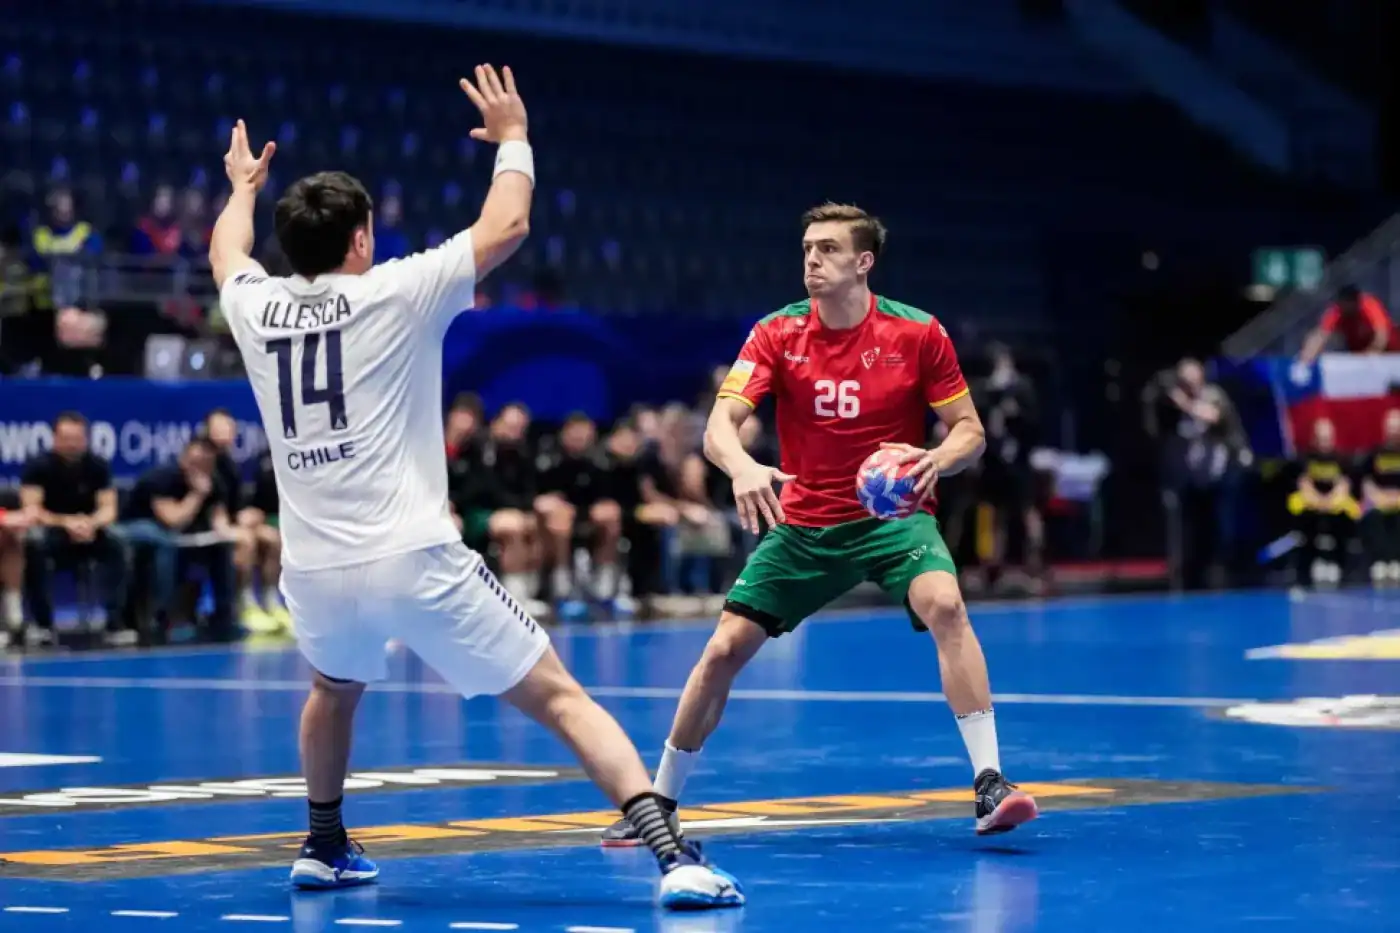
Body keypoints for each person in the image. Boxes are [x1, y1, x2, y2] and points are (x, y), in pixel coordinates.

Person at [208, 65, 741, 909]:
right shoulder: (396, 290)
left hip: (313, 565)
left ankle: (321, 843)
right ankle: (674, 855)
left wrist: (240, 186)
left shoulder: (255, 306)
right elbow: (510, 222)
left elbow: (225, 250)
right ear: (358, 241)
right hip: (414, 554)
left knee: (331, 688)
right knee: (562, 696)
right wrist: (514, 136)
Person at [601, 202, 1038, 846]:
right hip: (804, 523)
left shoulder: (919, 334)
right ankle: (658, 803)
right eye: (807, 248)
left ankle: (990, 783)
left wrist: (935, 460)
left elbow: (968, 431)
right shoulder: (776, 334)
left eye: (828, 249)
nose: (812, 259)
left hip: (894, 517)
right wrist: (742, 466)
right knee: (722, 650)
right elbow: (721, 427)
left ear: (863, 262)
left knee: (946, 604)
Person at [19, 412, 129, 646]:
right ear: (55, 438)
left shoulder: (97, 465)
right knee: (33, 542)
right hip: (53, 531)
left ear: (85, 439)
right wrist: (66, 522)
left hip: (90, 531)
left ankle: (115, 622)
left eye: (77, 438)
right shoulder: (38, 466)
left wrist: (91, 523)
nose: (72, 444)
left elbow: (109, 509)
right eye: (66, 438)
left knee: (120, 542)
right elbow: (32, 509)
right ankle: (43, 625)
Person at [118, 437, 239, 641]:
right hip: (138, 528)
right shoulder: (161, 478)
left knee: (223, 547)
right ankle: (160, 616)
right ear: (184, 459)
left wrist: (235, 534)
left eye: (206, 464)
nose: (201, 469)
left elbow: (220, 520)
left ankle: (224, 616)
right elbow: (172, 520)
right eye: (195, 463)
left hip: (183, 535)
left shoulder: (214, 480)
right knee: (164, 543)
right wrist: (197, 495)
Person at [1286, 417, 1359, 587]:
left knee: (1344, 518)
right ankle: (1306, 567)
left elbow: (1344, 485)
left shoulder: (1341, 459)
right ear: (1314, 438)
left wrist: (1330, 502)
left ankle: (1340, 565)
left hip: (1335, 502)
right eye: (1320, 438)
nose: (1324, 442)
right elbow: (1304, 484)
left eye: (1327, 438)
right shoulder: (1305, 458)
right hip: (1312, 502)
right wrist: (1319, 502)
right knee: (1305, 518)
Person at [1358, 408, 1400, 584]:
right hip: (1378, 501)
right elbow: (1366, 482)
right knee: (1373, 516)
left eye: (1397, 428)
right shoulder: (1374, 453)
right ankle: (1380, 563)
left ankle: (1396, 562)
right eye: (1390, 427)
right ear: (1385, 429)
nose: (1393, 432)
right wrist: (1378, 497)